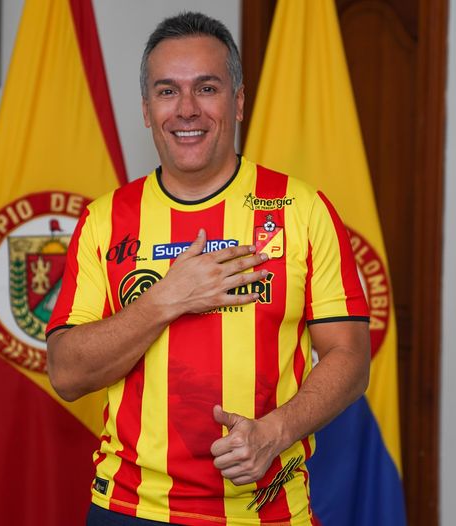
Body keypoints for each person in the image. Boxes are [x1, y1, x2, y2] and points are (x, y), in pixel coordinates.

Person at [46, 11, 370, 526]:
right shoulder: (105, 220)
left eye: (207, 88)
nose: (187, 109)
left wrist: (276, 431)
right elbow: (66, 374)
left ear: (237, 101)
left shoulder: (302, 209)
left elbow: (350, 357)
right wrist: (166, 300)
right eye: (167, 91)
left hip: (268, 510)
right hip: (130, 508)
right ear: (147, 110)